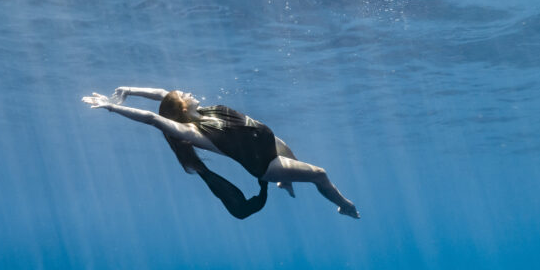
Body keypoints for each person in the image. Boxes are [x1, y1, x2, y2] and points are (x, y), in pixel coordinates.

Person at [81, 87, 360, 219]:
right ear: (182, 108)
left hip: (271, 143)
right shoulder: (193, 132)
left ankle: (285, 182)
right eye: (183, 95)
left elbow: (161, 95)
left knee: (295, 164)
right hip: (267, 163)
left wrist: (129, 89)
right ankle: (344, 206)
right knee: (319, 174)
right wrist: (112, 107)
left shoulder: (201, 111)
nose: (188, 92)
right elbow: (153, 118)